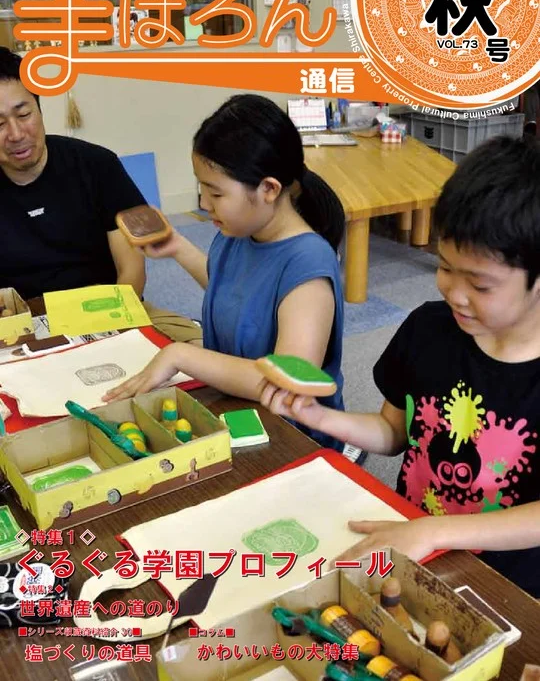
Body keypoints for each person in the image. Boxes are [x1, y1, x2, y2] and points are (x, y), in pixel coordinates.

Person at [261, 135, 540, 598]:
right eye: (445, 267)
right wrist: (318, 416)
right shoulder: (428, 328)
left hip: (504, 587)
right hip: (412, 547)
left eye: (480, 285)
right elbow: (395, 433)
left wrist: (434, 531)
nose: (455, 293)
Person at [104, 94, 351, 455]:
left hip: (290, 439)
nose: (204, 204)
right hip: (236, 408)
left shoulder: (307, 267)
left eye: (216, 193)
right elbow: (236, 292)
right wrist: (178, 248)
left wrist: (182, 355)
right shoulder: (239, 232)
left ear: (269, 189)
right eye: (201, 188)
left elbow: (288, 385)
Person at [0, 46, 202, 344]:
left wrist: (106, 332)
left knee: (200, 350)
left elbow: (132, 271)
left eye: (24, 114)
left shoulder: (97, 165)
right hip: (19, 329)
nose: (16, 134)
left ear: (40, 109)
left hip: (110, 315)